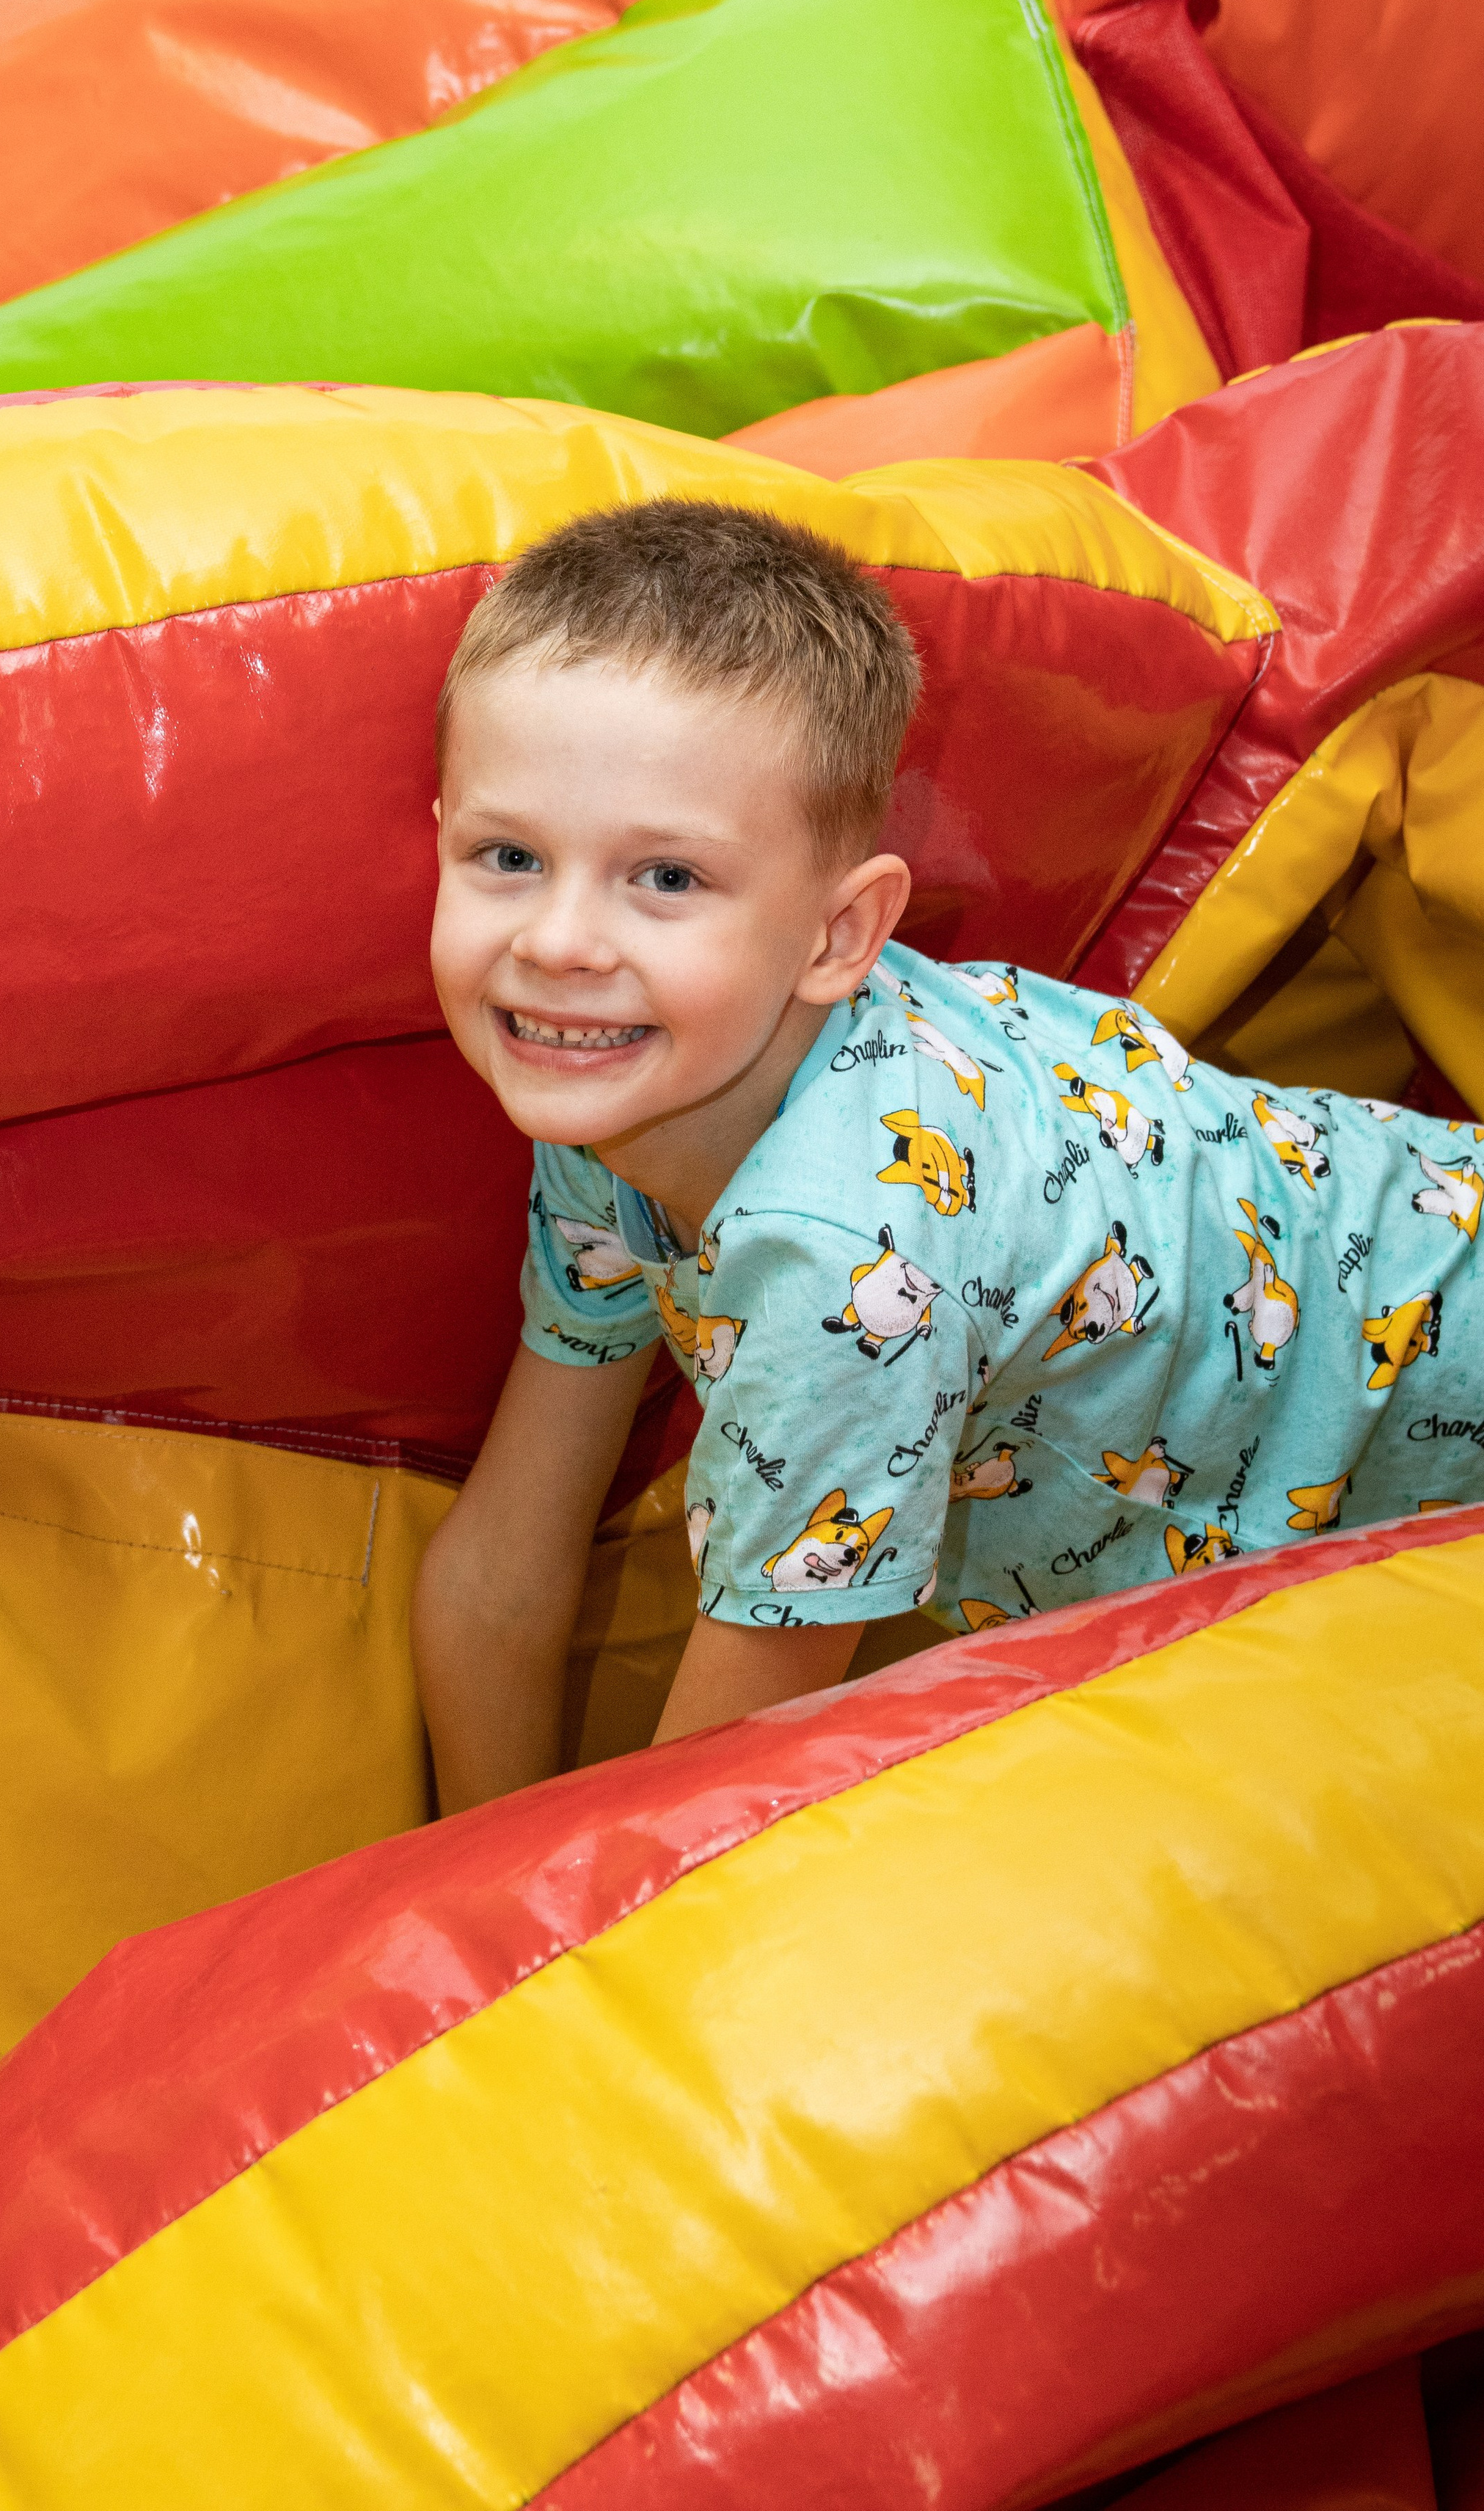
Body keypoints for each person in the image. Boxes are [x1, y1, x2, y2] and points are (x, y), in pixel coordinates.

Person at [413, 497, 1482, 1811]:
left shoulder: (845, 1267)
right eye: (509, 856)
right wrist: (453, 1880)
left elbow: (719, 1802)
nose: (559, 943)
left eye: (668, 879)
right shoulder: (624, 1093)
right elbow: (500, 1571)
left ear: (839, 935)